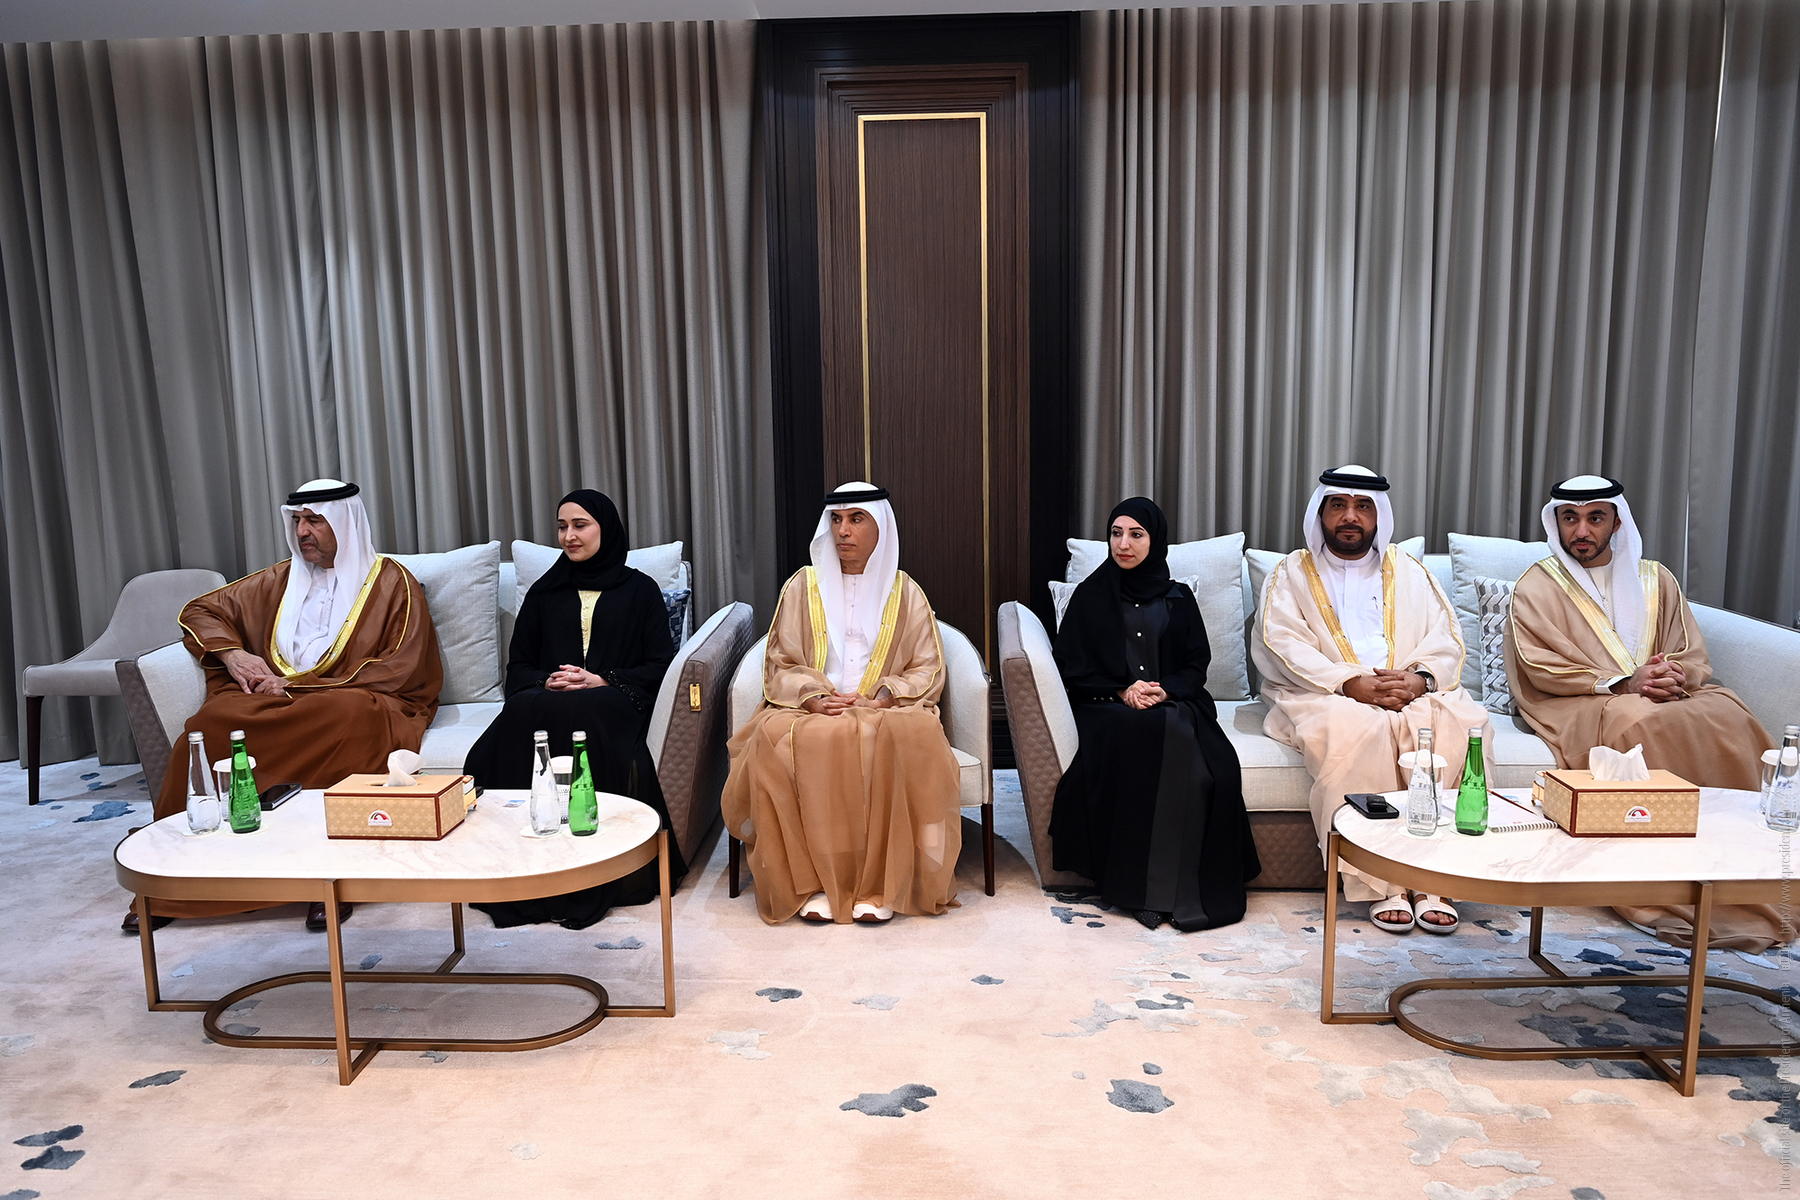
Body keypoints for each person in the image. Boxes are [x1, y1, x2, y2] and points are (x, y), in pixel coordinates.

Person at [141, 479, 442, 931]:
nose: (303, 532)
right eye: (297, 521)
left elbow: (403, 665)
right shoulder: (278, 580)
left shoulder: (391, 582)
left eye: (315, 521)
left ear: (345, 522)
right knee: (212, 721)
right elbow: (200, 610)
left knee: (350, 716)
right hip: (276, 700)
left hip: (351, 699)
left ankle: (330, 880)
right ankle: (177, 879)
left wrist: (298, 686)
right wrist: (233, 654)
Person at [1505, 475, 1784, 951]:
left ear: (1616, 523)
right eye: (1570, 518)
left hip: (1663, 694)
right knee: (1640, 722)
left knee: (1728, 711)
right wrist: (1624, 682)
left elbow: (1689, 650)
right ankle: (1665, 882)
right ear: (1557, 523)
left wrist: (1672, 674)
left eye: (1595, 518)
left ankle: (1752, 866)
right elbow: (1539, 665)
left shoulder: (1657, 579)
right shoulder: (1537, 586)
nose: (1582, 531)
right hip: (1579, 699)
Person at [1253, 466, 1492, 935]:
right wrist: (1349, 683)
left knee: (1456, 725)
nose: (1350, 517)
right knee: (1360, 729)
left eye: (1363, 506)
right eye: (1338, 505)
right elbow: (1282, 642)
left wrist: (1419, 681)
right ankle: (1381, 882)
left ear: (1378, 514)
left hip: (1407, 689)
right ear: (1320, 513)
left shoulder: (1410, 571)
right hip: (1323, 692)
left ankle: (1438, 878)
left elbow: (1445, 639)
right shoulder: (1292, 573)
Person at [722, 482, 961, 925]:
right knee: (787, 739)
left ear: (880, 527)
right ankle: (813, 883)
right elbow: (780, 660)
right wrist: (813, 697)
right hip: (811, 706)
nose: (843, 531)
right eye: (835, 519)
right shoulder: (803, 586)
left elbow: (927, 667)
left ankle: (879, 886)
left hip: (886, 709)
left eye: (856, 519)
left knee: (902, 735)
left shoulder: (906, 591)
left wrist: (884, 697)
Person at [462, 489, 685, 928]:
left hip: (611, 699)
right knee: (522, 712)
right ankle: (521, 865)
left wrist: (603, 679)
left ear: (606, 529)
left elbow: (659, 664)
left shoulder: (640, 590)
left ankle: (590, 870)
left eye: (580, 525)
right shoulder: (545, 591)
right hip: (549, 698)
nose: (569, 536)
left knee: (587, 710)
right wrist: (546, 680)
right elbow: (519, 666)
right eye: (562, 527)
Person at [1049, 498, 1260, 931]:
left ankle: (1185, 890)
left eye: (1136, 534)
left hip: (1173, 703)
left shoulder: (1178, 597)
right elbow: (1071, 668)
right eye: (1116, 533)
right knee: (1151, 733)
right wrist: (1121, 689)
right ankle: (1141, 893)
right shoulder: (1090, 596)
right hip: (1106, 709)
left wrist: (1165, 690)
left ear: (1155, 540)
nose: (1123, 544)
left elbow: (1195, 665)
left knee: (1198, 761)